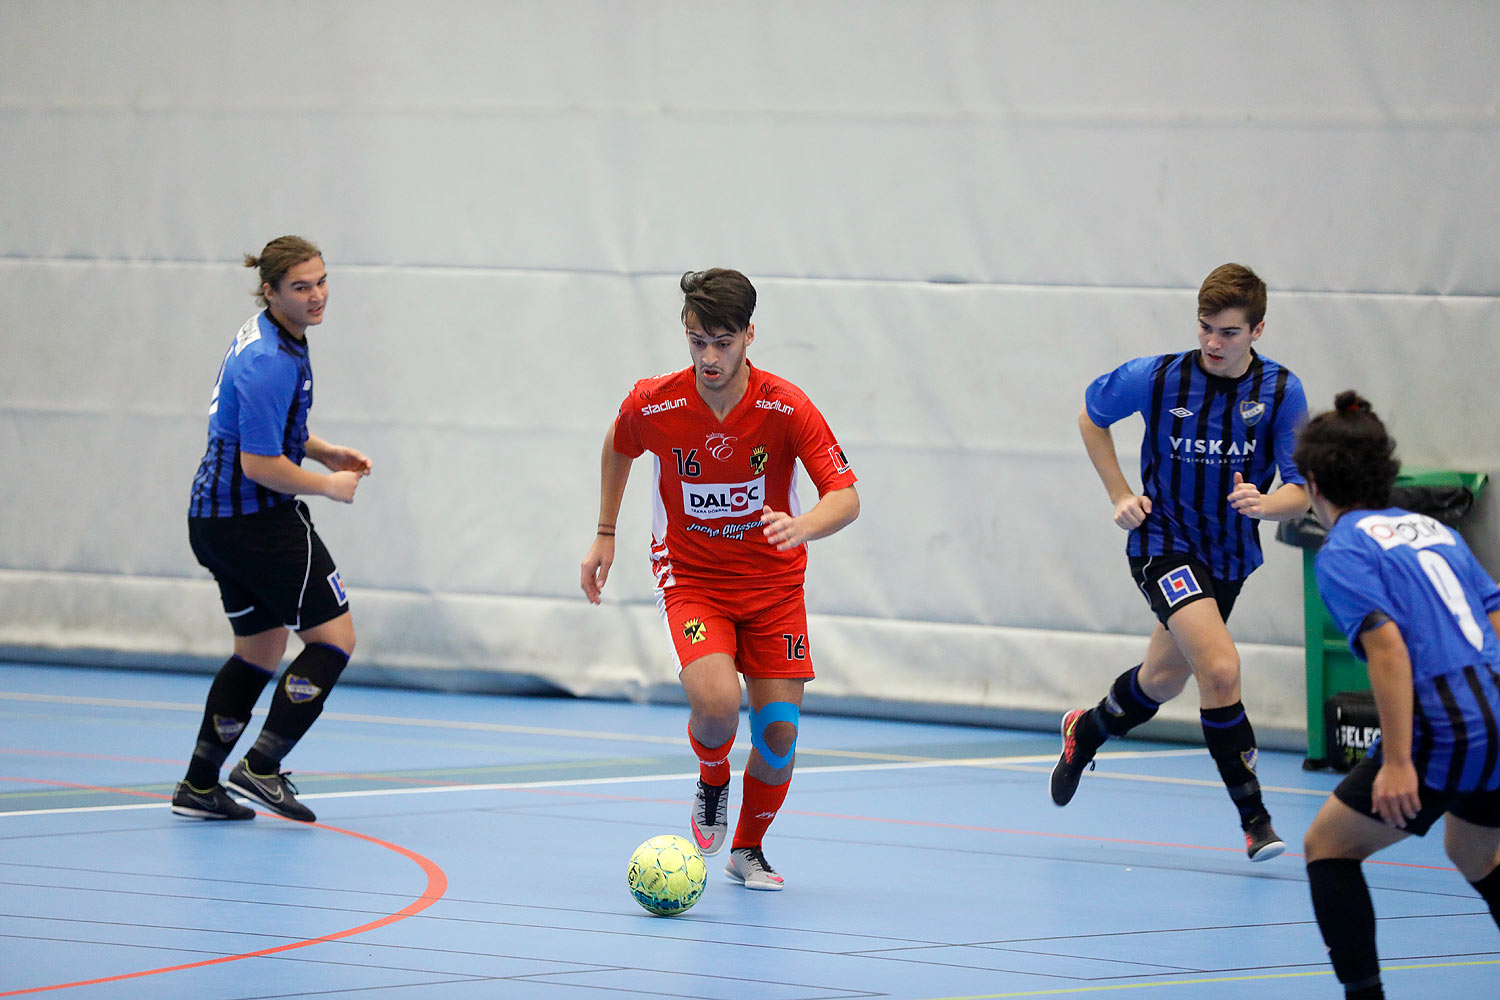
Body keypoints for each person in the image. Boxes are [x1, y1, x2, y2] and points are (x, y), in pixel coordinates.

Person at [580, 269, 859, 890]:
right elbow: (619, 444)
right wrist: (605, 531)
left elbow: (845, 495)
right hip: (693, 578)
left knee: (779, 735)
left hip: (775, 588)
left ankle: (747, 849)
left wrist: (804, 525)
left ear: (749, 336)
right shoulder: (656, 401)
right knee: (716, 705)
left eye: (723, 342)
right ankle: (712, 777)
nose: (709, 357)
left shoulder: (786, 406)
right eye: (696, 340)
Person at [1050, 263, 1309, 861]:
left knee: (1161, 680)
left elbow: (1301, 489)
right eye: (1205, 329)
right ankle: (1256, 820)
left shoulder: (1280, 391)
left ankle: (1084, 731)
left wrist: (1268, 505)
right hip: (1162, 544)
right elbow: (1091, 418)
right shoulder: (1157, 377)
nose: (1214, 344)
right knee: (1219, 670)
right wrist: (1120, 493)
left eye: (1229, 332)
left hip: (1230, 555)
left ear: (1258, 330)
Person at [1296, 392, 1500, 1000]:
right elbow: (1493, 612)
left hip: (1446, 721)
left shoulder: (1344, 551)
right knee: (1471, 850)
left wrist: (1400, 762)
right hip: (1494, 710)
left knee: (1328, 846)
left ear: (1312, 483)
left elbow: (1388, 651)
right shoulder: (1432, 528)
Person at [171, 236, 371, 823]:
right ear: (271, 290)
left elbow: (265, 430)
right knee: (334, 641)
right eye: (301, 287)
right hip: (256, 522)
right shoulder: (268, 362)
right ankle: (262, 767)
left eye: (322, 281)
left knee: (259, 650)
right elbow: (260, 465)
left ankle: (198, 785)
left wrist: (324, 450)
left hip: (216, 522)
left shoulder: (272, 337)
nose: (317, 296)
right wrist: (327, 485)